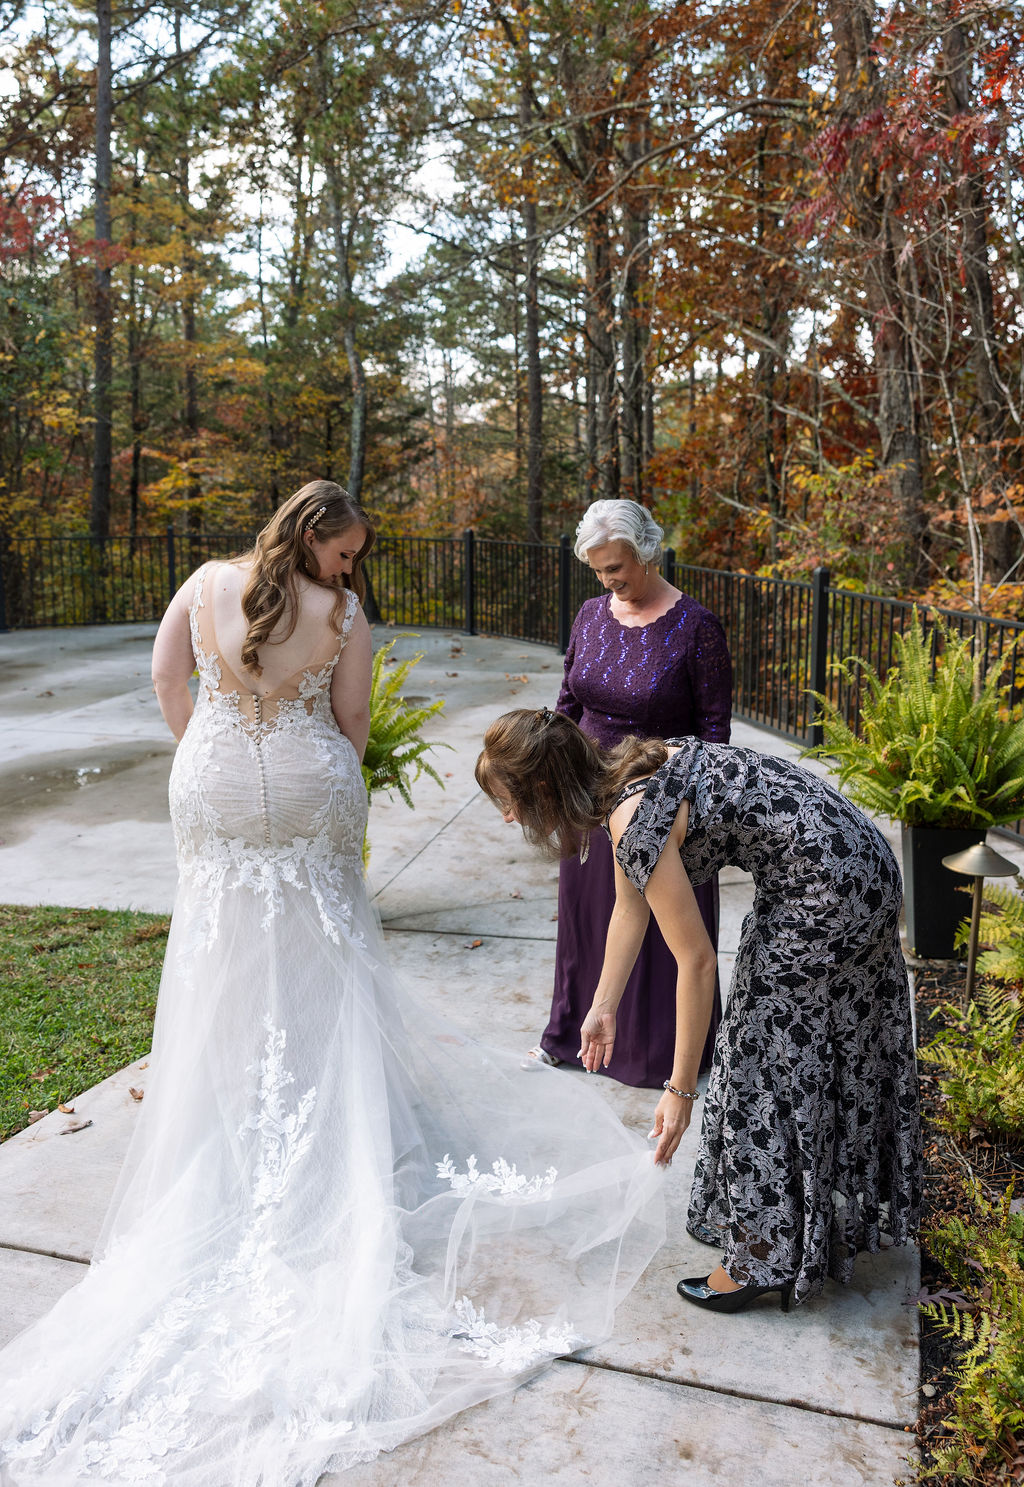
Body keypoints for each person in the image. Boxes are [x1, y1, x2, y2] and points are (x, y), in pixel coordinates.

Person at [0, 482, 663, 1484]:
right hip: (306, 789)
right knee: (325, 953)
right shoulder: (342, 616)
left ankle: (234, 1110)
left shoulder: (206, 579)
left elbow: (167, 678)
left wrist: (211, 752)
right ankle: (321, 1104)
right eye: (346, 551)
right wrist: (322, 786)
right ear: (312, 535)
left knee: (222, 958)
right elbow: (350, 725)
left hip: (214, 784)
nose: (352, 569)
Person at [477, 709, 922, 1311]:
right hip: (851, 860)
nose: (507, 817)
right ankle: (802, 1222)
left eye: (509, 800)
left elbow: (698, 962)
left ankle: (763, 1259)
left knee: (759, 1058)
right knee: (792, 1045)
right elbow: (629, 907)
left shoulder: (633, 818)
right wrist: (601, 1008)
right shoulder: (633, 770)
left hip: (826, 889)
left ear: (545, 789)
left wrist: (680, 1089)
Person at [529, 498, 732, 1087]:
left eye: (616, 567)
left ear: (648, 553)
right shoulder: (590, 615)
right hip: (586, 794)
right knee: (588, 919)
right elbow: (568, 704)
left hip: (664, 799)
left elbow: (715, 733)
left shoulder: (697, 626)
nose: (608, 580)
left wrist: (694, 809)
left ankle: (663, 1056)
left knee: (664, 930)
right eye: (599, 571)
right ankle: (572, 1033)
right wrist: (551, 777)